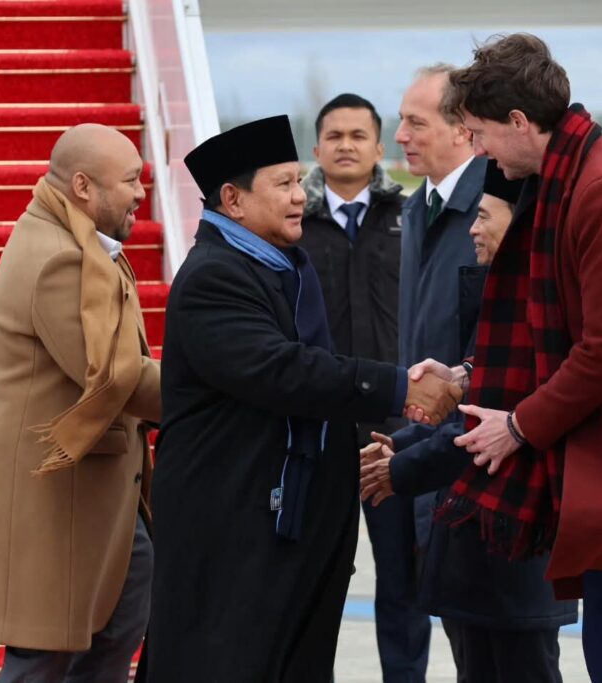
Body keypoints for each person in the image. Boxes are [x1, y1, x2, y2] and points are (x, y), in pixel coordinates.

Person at [146, 115, 462, 682]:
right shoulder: (216, 277)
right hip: (231, 528)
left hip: (281, 522)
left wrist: (343, 454)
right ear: (232, 200)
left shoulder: (278, 264)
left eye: (299, 181)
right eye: (285, 184)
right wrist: (401, 387)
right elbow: (283, 372)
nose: (300, 196)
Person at [411, 33, 602, 683]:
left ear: (518, 121)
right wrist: (472, 376)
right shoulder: (570, 179)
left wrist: (519, 425)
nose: (478, 150)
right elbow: (551, 335)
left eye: (479, 134)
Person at [361, 164, 578, 683]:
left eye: (483, 217)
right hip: (479, 554)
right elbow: (472, 405)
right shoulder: (500, 294)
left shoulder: (535, 304)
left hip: (515, 548)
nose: (473, 230)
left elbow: (483, 426)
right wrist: (399, 444)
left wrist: (399, 468)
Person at [0, 124, 159, 682]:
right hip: (54, 501)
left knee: (114, 630)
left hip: (91, 494)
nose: (141, 193)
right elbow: (116, 376)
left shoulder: (73, 239)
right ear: (82, 187)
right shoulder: (59, 257)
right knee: (40, 661)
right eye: (130, 180)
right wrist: (215, 393)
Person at [295, 94, 413, 682]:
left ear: (379, 147)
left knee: (402, 581)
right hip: (316, 429)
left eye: (358, 135)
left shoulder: (410, 218)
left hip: (396, 429)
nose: (346, 145)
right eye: (335, 136)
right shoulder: (292, 222)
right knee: (310, 581)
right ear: (316, 149)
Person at [380, 65, 487, 680]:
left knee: (493, 650)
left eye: (416, 123)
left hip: (471, 454)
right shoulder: (419, 207)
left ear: (463, 131)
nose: (400, 136)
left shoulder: (492, 210)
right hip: (422, 446)